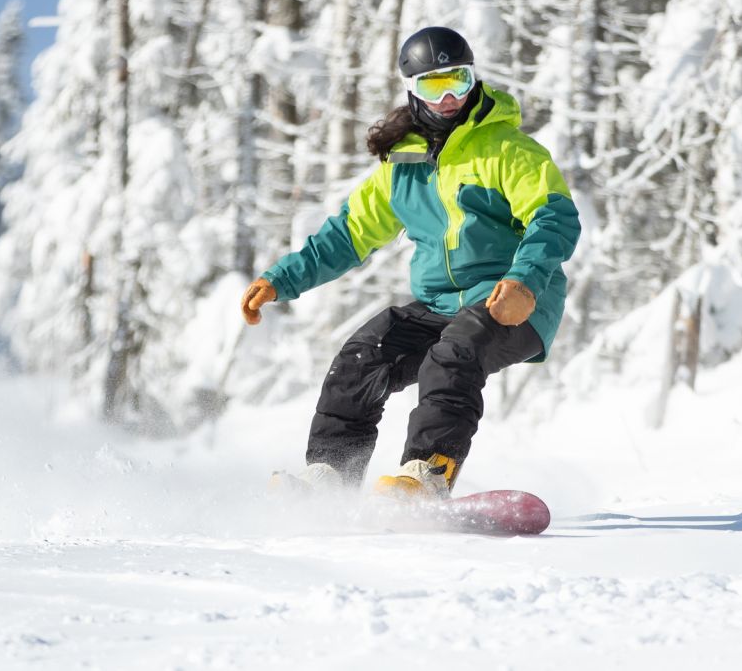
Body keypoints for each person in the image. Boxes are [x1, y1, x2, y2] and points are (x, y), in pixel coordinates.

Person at [242, 27, 580, 500]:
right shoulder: (403, 166)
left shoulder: (509, 151)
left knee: (454, 355)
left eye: (457, 82)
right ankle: (331, 479)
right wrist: (282, 280)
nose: (447, 99)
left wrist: (524, 281)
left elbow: (554, 218)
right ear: (412, 89)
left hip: (516, 300)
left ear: (474, 79)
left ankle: (428, 472)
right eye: (432, 86)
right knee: (363, 356)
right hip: (440, 306)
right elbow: (348, 234)